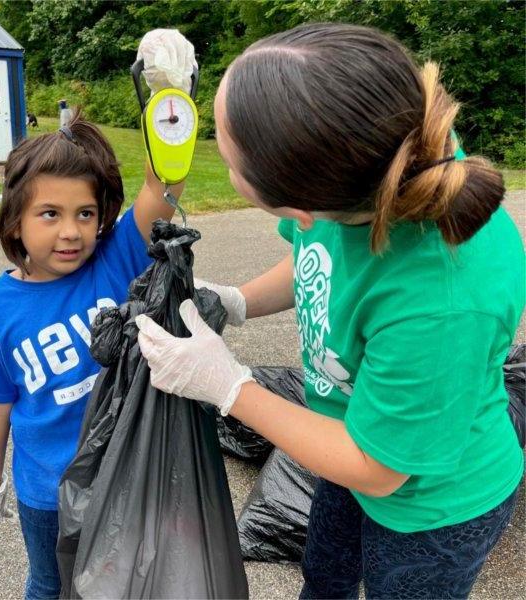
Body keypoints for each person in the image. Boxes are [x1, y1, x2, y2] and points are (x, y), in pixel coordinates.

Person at [135, 23, 525, 599]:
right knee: (325, 579)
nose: (218, 144)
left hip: (431, 504)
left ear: (300, 202)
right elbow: (317, 262)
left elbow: (377, 467)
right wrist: (240, 301)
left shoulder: (440, 302)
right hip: (344, 437)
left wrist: (231, 387)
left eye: (225, 146)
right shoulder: (381, 163)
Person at [0, 109, 184, 600]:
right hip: (47, 493)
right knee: (50, 583)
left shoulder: (116, 258)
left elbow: (161, 189)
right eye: (50, 214)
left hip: (127, 476)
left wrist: (171, 108)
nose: (72, 232)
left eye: (85, 213)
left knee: (128, 579)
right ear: (14, 222)